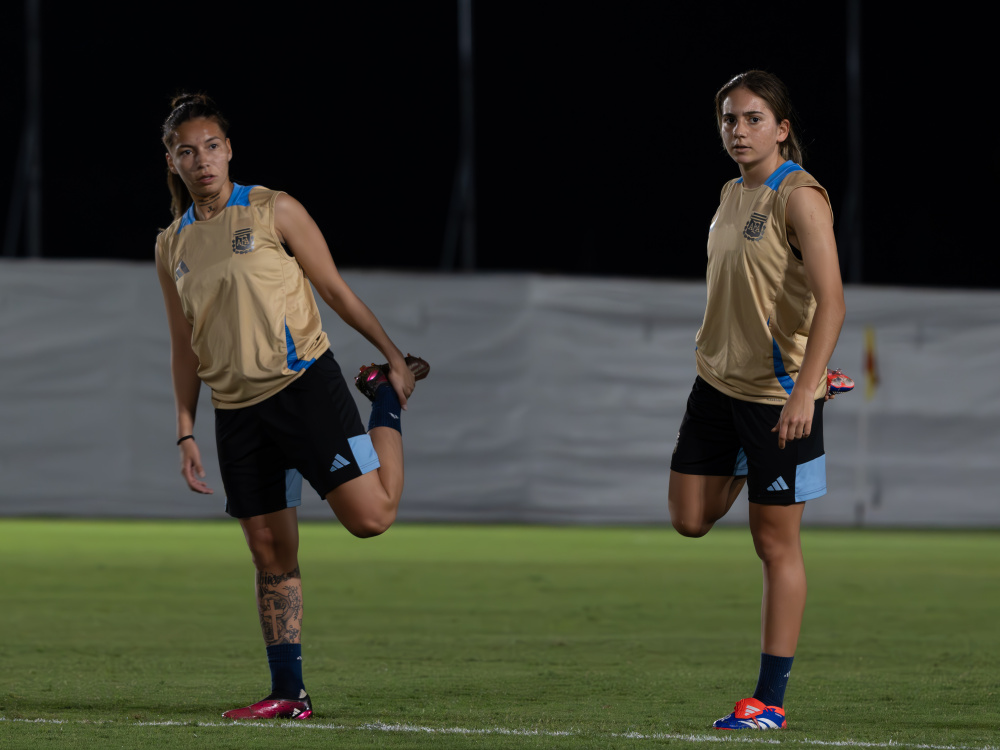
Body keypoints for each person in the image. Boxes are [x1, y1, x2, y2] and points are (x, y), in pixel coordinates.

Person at [154, 93, 429, 720]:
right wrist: (184, 430)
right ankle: (288, 695)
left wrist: (390, 356)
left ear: (230, 151)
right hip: (236, 412)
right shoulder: (172, 246)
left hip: (306, 388)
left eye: (213, 147)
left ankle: (383, 405)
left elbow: (333, 288)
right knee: (270, 554)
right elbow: (183, 345)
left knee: (373, 517)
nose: (203, 161)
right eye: (187, 151)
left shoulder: (274, 209)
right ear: (171, 161)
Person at [667, 71, 846, 731]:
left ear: (782, 127)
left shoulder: (800, 198)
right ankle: (748, 459)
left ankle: (769, 702)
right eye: (728, 119)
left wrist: (806, 386)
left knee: (776, 546)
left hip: (780, 399)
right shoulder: (728, 194)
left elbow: (834, 301)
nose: (738, 130)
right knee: (688, 517)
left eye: (751, 118)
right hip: (715, 386)